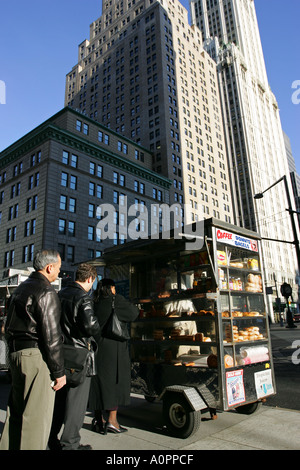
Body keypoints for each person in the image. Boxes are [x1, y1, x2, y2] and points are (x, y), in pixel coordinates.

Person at [0, 249, 66, 450]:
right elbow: (51, 337)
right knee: (36, 420)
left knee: (16, 414)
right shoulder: (46, 291)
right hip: (36, 358)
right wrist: (59, 372)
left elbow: (6, 326)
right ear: (49, 267)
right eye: (59, 268)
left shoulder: (20, 289)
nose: (59, 272)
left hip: (16, 354)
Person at [48, 263, 101, 450]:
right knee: (76, 404)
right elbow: (91, 327)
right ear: (90, 279)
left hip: (59, 353)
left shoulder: (59, 294)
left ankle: (51, 439)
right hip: (79, 356)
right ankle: (70, 443)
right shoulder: (83, 298)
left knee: (59, 401)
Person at [89, 278, 139, 434]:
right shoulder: (115, 300)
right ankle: (112, 420)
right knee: (114, 383)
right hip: (114, 348)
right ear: (111, 288)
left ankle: (98, 420)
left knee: (97, 383)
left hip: (97, 347)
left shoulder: (93, 300)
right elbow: (133, 313)